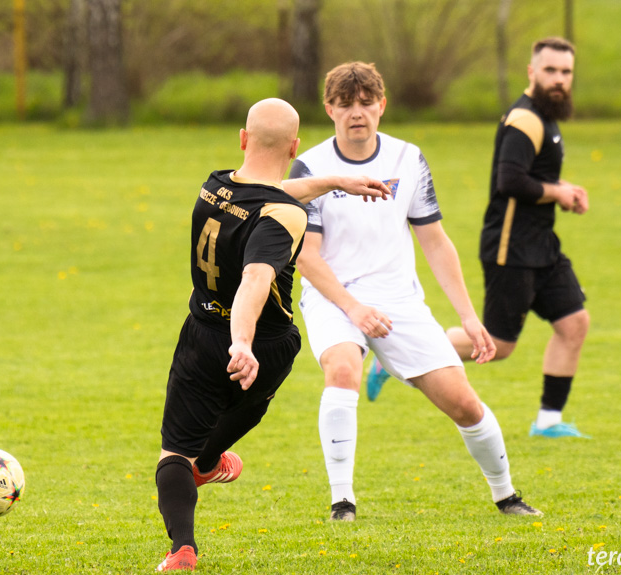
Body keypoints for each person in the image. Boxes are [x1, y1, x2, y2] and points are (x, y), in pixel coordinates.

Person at [289, 61, 541, 522]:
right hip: (334, 297)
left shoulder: (408, 158)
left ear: (381, 105)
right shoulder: (313, 167)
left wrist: (467, 317)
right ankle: (341, 501)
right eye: (345, 105)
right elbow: (306, 255)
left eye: (366, 102)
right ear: (329, 110)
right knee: (343, 370)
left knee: (464, 403)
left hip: (398, 299)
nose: (357, 112)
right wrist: (354, 308)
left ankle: (507, 496)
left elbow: (434, 240)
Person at [154, 97, 390, 571]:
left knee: (173, 455)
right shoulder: (286, 215)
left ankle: (183, 548)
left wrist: (336, 180)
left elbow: (269, 195)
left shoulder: (214, 186)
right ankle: (210, 463)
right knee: (215, 437)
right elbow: (256, 278)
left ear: (243, 139)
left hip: (204, 333)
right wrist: (241, 341)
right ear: (294, 146)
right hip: (265, 346)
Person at [446, 37, 591, 438]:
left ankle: (549, 422)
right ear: (532, 72)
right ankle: (399, 355)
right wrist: (557, 192)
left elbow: (532, 174)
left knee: (574, 323)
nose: (559, 79)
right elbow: (509, 180)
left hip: (541, 246)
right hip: (511, 247)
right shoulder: (524, 120)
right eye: (550, 71)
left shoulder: (545, 117)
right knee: (497, 343)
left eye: (566, 72)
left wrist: (564, 188)